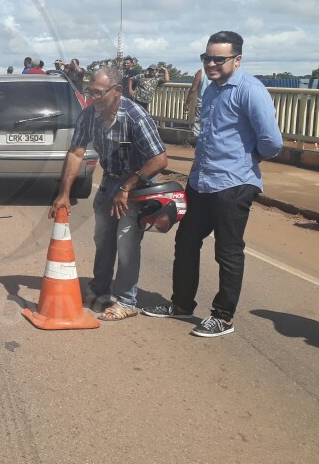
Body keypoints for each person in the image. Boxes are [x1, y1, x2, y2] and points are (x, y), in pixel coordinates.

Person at [142, 31, 282, 337]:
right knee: (187, 242)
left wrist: (246, 161)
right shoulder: (214, 88)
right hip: (201, 181)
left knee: (228, 251)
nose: (211, 64)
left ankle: (223, 317)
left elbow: (272, 142)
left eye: (219, 59)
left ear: (237, 59)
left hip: (233, 184)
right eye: (207, 58)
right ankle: (181, 305)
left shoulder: (250, 90)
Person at [50, 67, 168, 320]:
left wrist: (127, 188)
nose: (92, 98)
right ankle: (99, 289)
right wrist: (64, 193)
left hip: (137, 185)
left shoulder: (135, 116)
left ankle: (126, 300)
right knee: (103, 238)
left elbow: (159, 160)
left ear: (117, 91)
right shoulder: (88, 116)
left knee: (126, 241)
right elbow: (76, 153)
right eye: (89, 91)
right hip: (110, 181)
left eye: (97, 93)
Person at [182, 68, 208, 144]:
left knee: (199, 129)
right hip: (217, 105)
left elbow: (193, 89)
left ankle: (199, 148)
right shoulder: (221, 71)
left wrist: (186, 104)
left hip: (201, 104)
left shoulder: (201, 72)